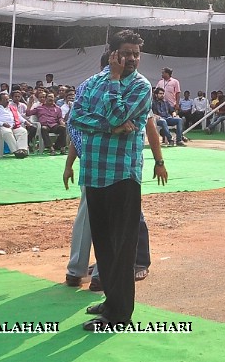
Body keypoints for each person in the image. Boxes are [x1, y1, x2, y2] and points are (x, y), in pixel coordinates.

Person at [68, 30, 165, 330]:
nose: (133, 58)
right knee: (104, 243)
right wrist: (109, 128)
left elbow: (116, 114)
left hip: (122, 174)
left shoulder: (141, 86)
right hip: (94, 173)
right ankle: (112, 300)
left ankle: (119, 314)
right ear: (113, 54)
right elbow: (76, 118)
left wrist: (113, 83)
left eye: (136, 53)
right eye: (127, 52)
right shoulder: (92, 83)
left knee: (122, 247)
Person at [0, 92, 30, 158]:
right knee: (7, 132)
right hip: (1, 127)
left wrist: (25, 121)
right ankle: (16, 151)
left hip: (13, 126)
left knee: (23, 131)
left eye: (8, 99)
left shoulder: (11, 108)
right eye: (5, 100)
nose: (7, 101)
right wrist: (2, 123)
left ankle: (22, 149)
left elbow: (19, 117)